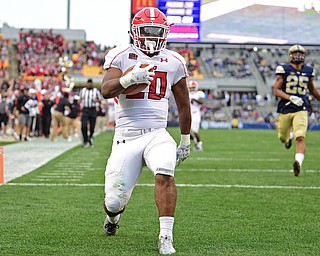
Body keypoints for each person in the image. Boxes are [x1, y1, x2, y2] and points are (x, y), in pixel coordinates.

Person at [100, 7, 191, 255]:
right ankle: (112, 219)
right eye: (146, 31)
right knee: (114, 202)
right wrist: (128, 79)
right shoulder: (121, 55)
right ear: (134, 32)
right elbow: (106, 90)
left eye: (157, 32)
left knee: (165, 172)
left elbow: (184, 105)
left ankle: (165, 237)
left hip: (157, 134)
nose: (152, 37)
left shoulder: (174, 61)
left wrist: (185, 140)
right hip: (126, 137)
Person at [273, 44, 320, 177]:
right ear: (290, 55)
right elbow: (276, 90)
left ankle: (298, 162)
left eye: (300, 53)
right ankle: (288, 138)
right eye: (295, 53)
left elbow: (312, 90)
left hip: (302, 108)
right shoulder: (284, 69)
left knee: (301, 137)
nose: (298, 55)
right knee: (282, 137)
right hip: (286, 107)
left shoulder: (309, 71)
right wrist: (291, 97)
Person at [79, 78, 104, 148]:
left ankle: (90, 137)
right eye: (88, 83)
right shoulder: (83, 91)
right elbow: (79, 100)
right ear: (87, 83)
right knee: (83, 125)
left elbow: (101, 100)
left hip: (92, 110)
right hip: (85, 109)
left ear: (92, 84)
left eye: (91, 83)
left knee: (92, 126)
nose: (90, 84)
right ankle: (85, 139)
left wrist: (97, 100)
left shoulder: (96, 91)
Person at [188, 80, 205, 151]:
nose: (192, 89)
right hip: (189, 113)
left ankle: (199, 144)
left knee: (194, 130)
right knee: (186, 131)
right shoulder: (188, 94)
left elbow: (201, 102)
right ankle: (197, 141)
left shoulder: (199, 93)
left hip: (195, 113)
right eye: (190, 88)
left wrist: (194, 99)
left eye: (193, 87)